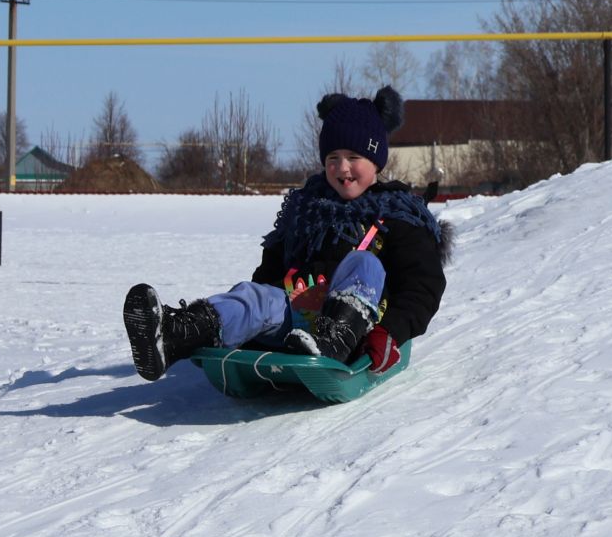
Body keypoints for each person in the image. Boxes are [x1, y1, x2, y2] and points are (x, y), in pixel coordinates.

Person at [122, 86, 449, 381]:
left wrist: (391, 333)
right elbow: (271, 269)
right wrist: (253, 322)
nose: (342, 168)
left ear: (376, 161)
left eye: (354, 157)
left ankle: (331, 344)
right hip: (297, 321)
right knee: (254, 295)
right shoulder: (308, 208)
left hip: (361, 332)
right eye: (332, 158)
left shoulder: (398, 215)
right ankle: (177, 336)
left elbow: (423, 285)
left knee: (364, 263)